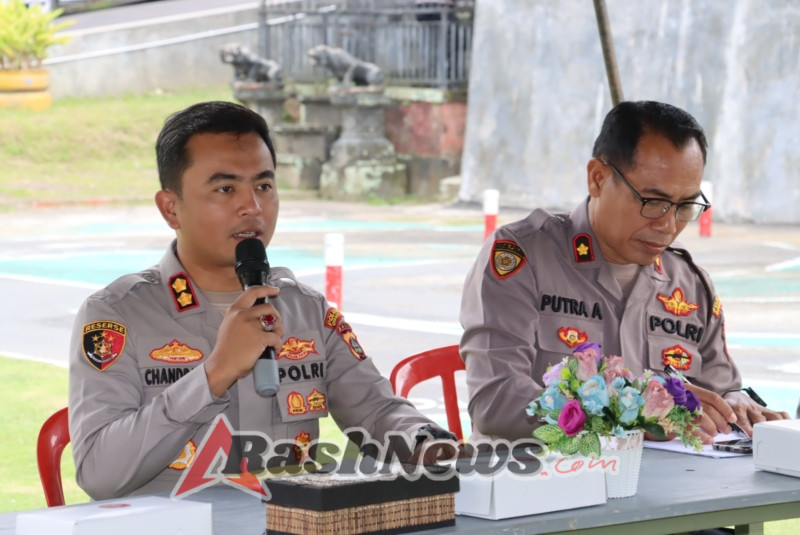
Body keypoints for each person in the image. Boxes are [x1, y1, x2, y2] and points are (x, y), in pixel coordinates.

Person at [68, 101, 452, 500]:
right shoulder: (117, 316)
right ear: (171, 208)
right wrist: (213, 375)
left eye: (264, 186)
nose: (252, 206)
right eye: (225, 188)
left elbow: (376, 411)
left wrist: (424, 439)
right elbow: (99, 472)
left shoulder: (306, 310)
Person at [460, 100, 790, 445]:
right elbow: (495, 401)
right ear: (598, 178)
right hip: (540, 486)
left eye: (685, 206)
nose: (667, 224)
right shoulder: (525, 258)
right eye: (652, 201)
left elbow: (720, 390)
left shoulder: (690, 286)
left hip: (670, 487)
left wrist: (736, 404)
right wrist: (632, 414)